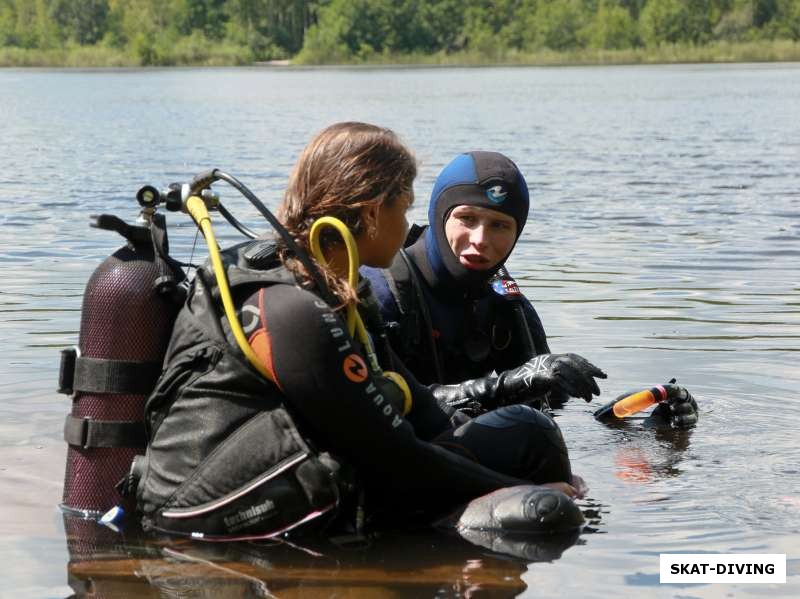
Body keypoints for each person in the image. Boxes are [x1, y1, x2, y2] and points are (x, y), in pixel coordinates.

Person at [134, 123, 584, 541]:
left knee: (529, 433)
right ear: (371, 214)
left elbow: (423, 409)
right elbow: (395, 454)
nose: (409, 226)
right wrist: (523, 489)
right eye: (404, 208)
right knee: (542, 511)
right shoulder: (293, 311)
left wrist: (523, 459)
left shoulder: (342, 292)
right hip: (209, 517)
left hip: (314, 474)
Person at [362, 151, 698, 428]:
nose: (480, 240)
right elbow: (382, 404)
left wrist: (635, 413)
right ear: (439, 215)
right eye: (467, 218)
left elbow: (550, 407)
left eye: (499, 225)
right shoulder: (383, 292)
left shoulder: (503, 299)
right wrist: (508, 385)